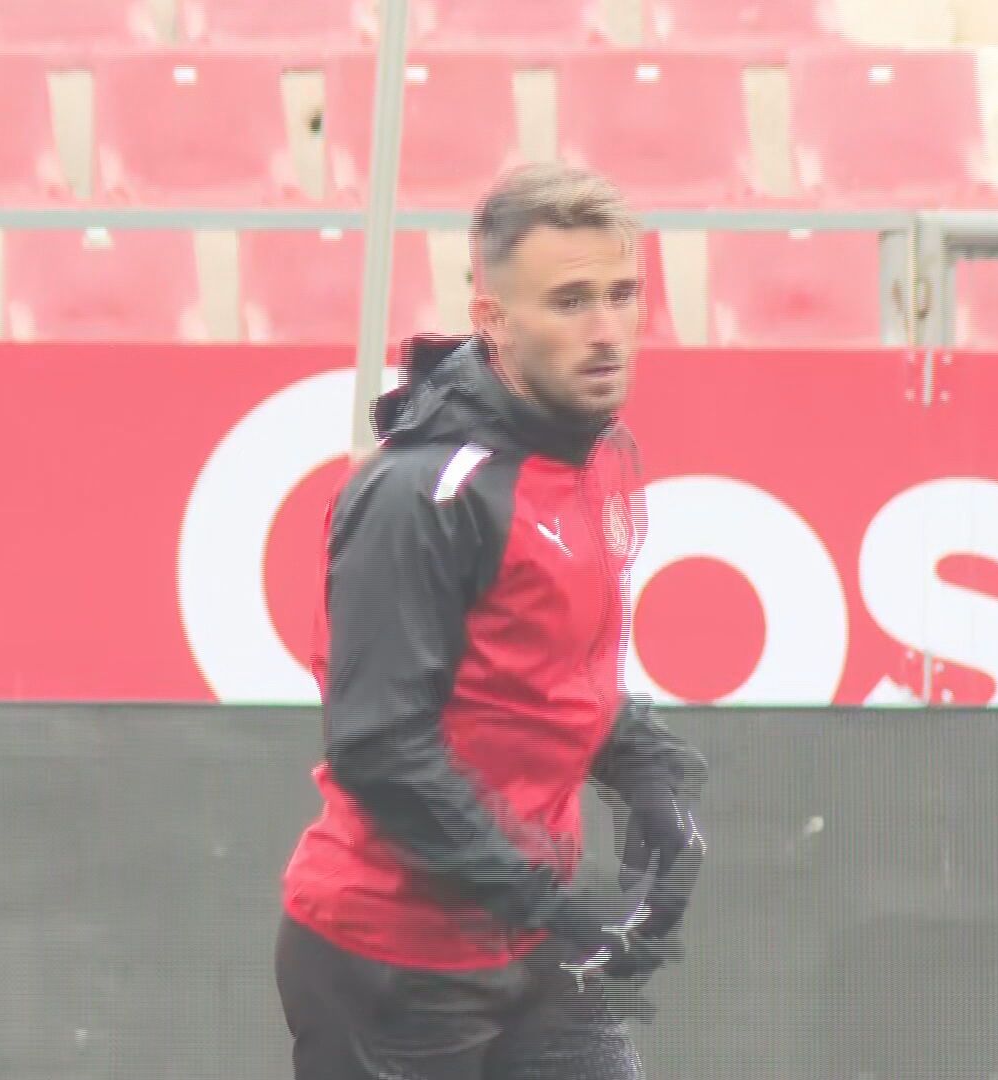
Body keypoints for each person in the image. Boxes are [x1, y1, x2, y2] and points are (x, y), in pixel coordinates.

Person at [274, 162, 710, 1080]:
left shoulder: (588, 456)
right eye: (568, 301)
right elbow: (380, 749)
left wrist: (655, 778)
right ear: (494, 321)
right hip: (389, 967)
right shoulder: (420, 494)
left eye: (622, 294)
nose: (605, 331)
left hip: (529, 955)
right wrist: (544, 902)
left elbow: (551, 670)